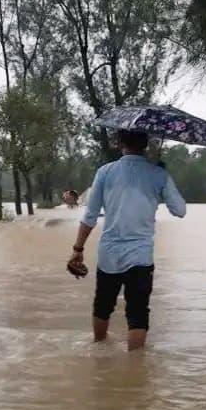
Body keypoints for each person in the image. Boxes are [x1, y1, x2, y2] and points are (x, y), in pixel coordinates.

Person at [67, 130, 186, 351]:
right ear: (146, 144)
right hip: (140, 256)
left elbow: (90, 215)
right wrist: (162, 179)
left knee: (103, 306)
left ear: (120, 142)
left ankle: (98, 349)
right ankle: (136, 370)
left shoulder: (105, 172)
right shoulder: (158, 174)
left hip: (109, 254)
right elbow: (180, 211)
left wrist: (78, 248)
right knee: (138, 312)